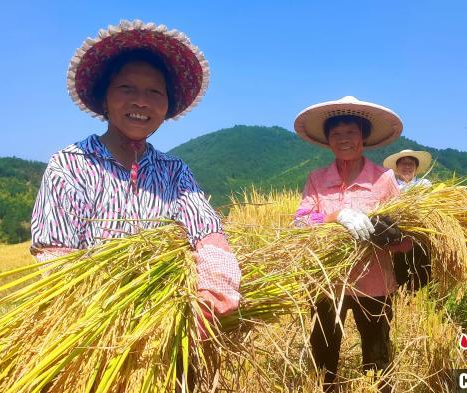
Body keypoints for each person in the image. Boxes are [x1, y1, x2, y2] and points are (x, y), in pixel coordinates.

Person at [30, 19, 241, 345]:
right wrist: (112, 322)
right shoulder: (70, 166)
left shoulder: (174, 172)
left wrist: (209, 301)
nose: (141, 101)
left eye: (155, 92)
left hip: (170, 333)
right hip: (93, 335)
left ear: (167, 106)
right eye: (126, 88)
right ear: (104, 99)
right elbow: (57, 264)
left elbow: (208, 235)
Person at [293, 96, 412, 391]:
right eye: (336, 134)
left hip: (374, 282)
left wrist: (391, 236)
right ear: (328, 140)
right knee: (323, 353)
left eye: (351, 133)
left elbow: (406, 238)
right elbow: (298, 225)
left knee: (377, 355)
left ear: (363, 137)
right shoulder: (317, 180)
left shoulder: (383, 179)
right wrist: (335, 215)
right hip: (327, 284)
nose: (343, 139)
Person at [383, 149, 434, 291]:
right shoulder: (391, 185)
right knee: (399, 269)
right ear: (397, 167)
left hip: (420, 235)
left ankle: (420, 299)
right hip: (398, 235)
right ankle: (402, 298)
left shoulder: (425, 184)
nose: (407, 167)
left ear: (416, 167)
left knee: (422, 268)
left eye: (411, 163)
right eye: (403, 163)